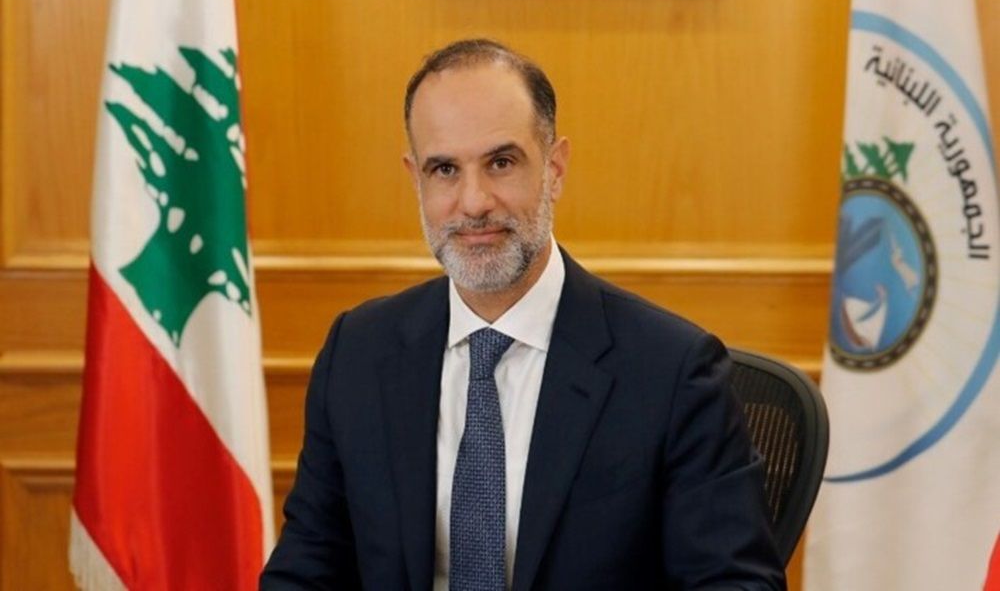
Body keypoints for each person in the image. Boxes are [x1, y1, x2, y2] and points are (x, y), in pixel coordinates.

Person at [260, 39, 785, 590]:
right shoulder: (358, 352)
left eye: (501, 163)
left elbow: (736, 583)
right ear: (416, 179)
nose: (474, 202)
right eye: (444, 169)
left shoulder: (672, 371)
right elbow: (307, 567)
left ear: (554, 169)